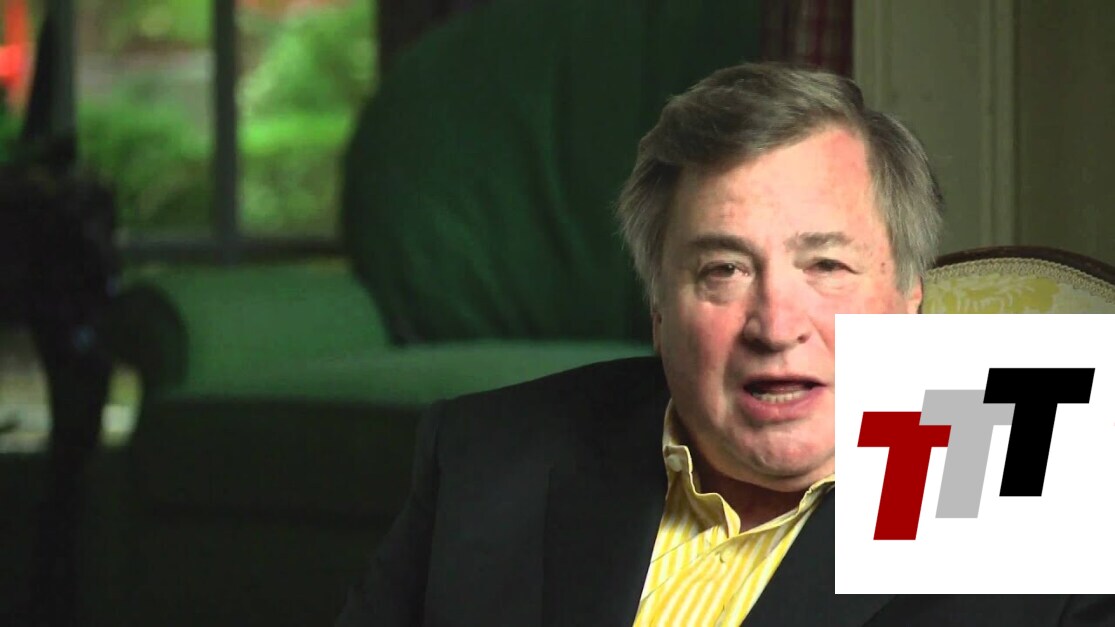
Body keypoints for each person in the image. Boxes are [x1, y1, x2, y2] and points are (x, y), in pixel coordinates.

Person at [335, 63, 1114, 626]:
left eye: (826, 265)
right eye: (722, 270)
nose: (775, 325)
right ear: (658, 307)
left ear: (910, 294)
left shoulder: (1029, 472)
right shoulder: (489, 452)